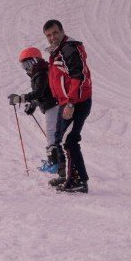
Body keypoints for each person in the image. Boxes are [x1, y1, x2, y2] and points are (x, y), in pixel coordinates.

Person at [43, 19, 92, 193]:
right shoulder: (57, 52)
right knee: (58, 138)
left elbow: (78, 76)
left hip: (76, 102)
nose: (52, 37)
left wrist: (71, 103)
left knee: (69, 141)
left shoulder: (68, 49)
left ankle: (78, 181)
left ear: (62, 31)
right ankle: (68, 176)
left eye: (55, 33)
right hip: (65, 102)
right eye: (48, 35)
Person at [8, 47, 64, 177]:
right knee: (53, 134)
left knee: (51, 134)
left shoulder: (42, 73)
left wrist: (20, 98)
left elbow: (38, 92)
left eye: (28, 64)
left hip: (53, 107)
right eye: (24, 66)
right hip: (52, 106)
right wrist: (33, 104)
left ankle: (54, 163)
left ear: (35, 61)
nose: (26, 69)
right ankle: (56, 162)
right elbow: (42, 94)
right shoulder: (40, 73)